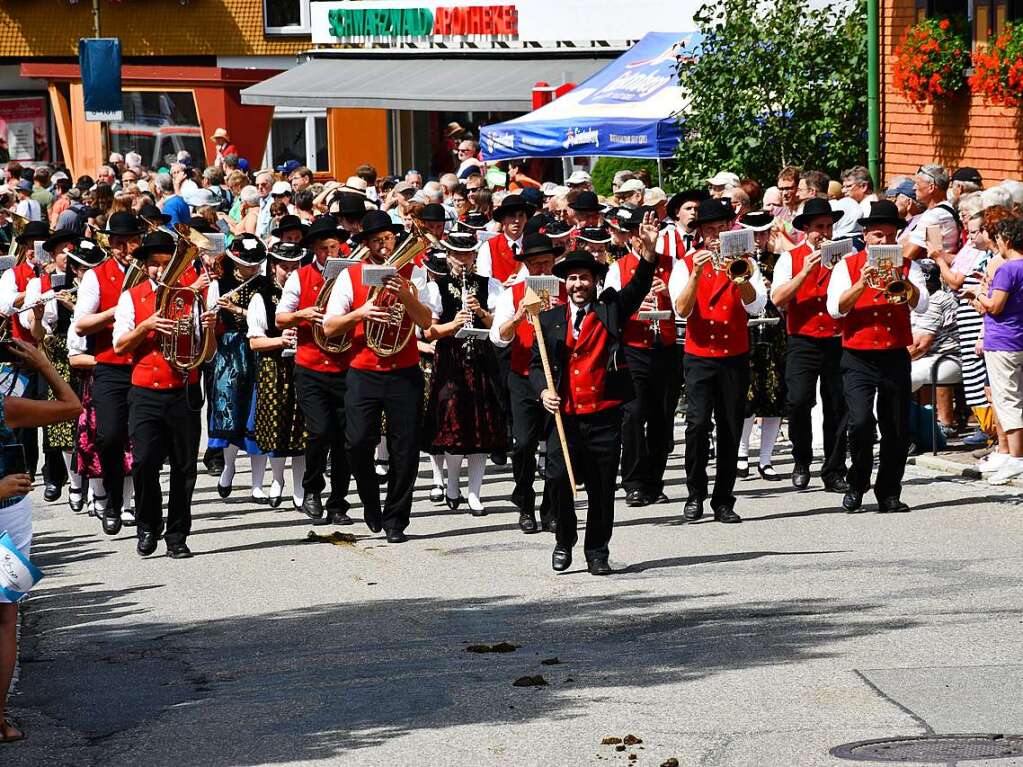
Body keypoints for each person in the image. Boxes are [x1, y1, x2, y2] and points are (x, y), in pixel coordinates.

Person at [531, 214, 660, 575]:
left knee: (602, 488)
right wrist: (543, 391)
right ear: (565, 283)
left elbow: (636, 288)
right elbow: (535, 365)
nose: (578, 284)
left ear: (594, 281)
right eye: (572, 278)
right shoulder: (548, 318)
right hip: (564, 416)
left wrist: (648, 254)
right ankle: (564, 539)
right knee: (557, 479)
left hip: (603, 414)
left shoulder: (610, 308)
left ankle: (597, 550)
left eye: (584, 278)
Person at [321, 210, 435, 543]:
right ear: (367, 244)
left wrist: (403, 294)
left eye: (387, 238)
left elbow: (426, 321)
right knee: (356, 443)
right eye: (375, 240)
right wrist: (361, 313)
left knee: (405, 449)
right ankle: (371, 501)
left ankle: (396, 519)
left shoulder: (416, 273)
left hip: (404, 372)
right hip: (363, 372)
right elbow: (329, 326)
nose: (383, 245)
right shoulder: (352, 275)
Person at [112, 229, 216, 558]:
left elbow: (207, 354)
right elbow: (119, 345)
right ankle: (147, 525)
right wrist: (146, 326)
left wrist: (210, 326)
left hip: (183, 390)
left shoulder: (192, 296)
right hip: (145, 392)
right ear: (144, 267)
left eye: (165, 262)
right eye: (154, 264)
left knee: (185, 467)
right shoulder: (132, 297)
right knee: (144, 463)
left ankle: (177, 534)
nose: (160, 269)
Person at [0, 338, 82, 745]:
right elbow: (71, 407)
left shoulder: (8, 404)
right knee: (5, 622)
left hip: (9, 510)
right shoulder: (7, 405)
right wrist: (46, 365)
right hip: (7, 511)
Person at [826, 200, 929, 513]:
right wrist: (862, 282)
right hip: (857, 356)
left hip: (894, 353)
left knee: (895, 427)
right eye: (877, 236)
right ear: (866, 237)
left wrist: (903, 278)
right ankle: (857, 484)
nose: (884, 242)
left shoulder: (909, 267)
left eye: (889, 236)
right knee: (859, 423)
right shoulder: (848, 265)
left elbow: (921, 305)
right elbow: (835, 309)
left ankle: (888, 493)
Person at [669, 198, 768, 524]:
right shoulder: (684, 264)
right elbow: (681, 311)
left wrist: (740, 277)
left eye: (720, 229)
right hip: (699, 357)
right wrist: (697, 273)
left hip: (735, 356)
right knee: (697, 426)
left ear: (729, 229)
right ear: (700, 233)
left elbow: (755, 307)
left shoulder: (745, 263)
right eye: (709, 230)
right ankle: (695, 493)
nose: (715, 235)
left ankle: (723, 499)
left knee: (730, 428)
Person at [274, 217, 354, 525]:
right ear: (314, 250)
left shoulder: (351, 276)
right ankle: (311, 490)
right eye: (324, 248)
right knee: (320, 431)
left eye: (335, 246)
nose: (331, 253)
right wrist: (303, 314)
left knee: (345, 439)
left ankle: (338, 503)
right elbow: (281, 318)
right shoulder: (300, 277)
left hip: (346, 366)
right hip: (311, 366)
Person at [72, 211, 146, 535]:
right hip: (110, 367)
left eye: (130, 241)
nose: (125, 248)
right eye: (118, 242)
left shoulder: (151, 274)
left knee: (146, 443)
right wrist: (119, 310)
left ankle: (142, 509)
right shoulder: (95, 276)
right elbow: (82, 323)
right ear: (110, 243)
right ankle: (113, 500)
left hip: (145, 365)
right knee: (111, 437)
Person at [421, 231, 506, 515]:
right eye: (457, 255)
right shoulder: (437, 287)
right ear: (448, 257)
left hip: (481, 360)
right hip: (450, 361)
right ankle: (453, 484)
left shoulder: (489, 284)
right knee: (452, 425)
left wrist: (480, 311)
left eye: (467, 255)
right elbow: (428, 330)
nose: (462, 261)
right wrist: (452, 325)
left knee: (482, 427)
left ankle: (475, 492)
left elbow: (500, 324)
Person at [770, 197, 850, 492]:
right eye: (819, 227)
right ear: (806, 229)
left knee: (837, 406)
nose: (825, 233)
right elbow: (778, 299)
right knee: (799, 401)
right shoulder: (790, 259)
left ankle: (834, 469)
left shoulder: (845, 256)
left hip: (836, 339)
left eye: (829, 226)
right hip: (802, 340)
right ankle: (801, 458)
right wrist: (804, 271)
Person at [603, 206, 680, 506]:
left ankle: (654, 481)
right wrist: (637, 303)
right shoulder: (617, 268)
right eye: (635, 233)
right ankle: (633, 482)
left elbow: (686, 306)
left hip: (667, 347)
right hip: (633, 349)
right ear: (630, 237)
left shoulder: (673, 265)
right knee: (634, 416)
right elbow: (610, 310)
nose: (642, 239)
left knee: (662, 417)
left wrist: (669, 294)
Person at [491, 233, 565, 533]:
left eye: (546, 263)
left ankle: (550, 507)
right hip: (523, 378)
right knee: (523, 444)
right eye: (535, 265)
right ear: (527, 266)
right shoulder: (514, 292)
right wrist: (520, 315)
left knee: (557, 447)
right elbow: (499, 337)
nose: (542, 271)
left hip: (558, 377)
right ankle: (524, 500)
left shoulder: (566, 288)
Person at [247, 242, 307, 508]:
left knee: (302, 428)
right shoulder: (262, 295)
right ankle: (277, 479)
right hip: (274, 367)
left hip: (303, 365)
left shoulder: (306, 293)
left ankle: (300, 487)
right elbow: (255, 342)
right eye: (285, 267)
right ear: (274, 267)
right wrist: (280, 341)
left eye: (295, 267)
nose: (291, 272)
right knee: (276, 427)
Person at [208, 235, 268, 502]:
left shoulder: (266, 285)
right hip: (231, 350)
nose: (252, 267)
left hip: (260, 347)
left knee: (259, 413)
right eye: (247, 262)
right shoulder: (219, 284)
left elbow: (270, 317)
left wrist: (239, 309)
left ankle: (258, 483)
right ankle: (229, 467)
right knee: (230, 411)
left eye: (256, 263)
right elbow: (210, 319)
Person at [965, 217, 1023, 484]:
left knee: (1007, 400)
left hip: (1003, 341)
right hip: (1018, 338)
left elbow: (996, 306)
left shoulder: (1008, 268)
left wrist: (977, 296)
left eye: (998, 239)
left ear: (1007, 240)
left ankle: (1015, 458)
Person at [737, 211, 787, 480]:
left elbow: (786, 298)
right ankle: (742, 453)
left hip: (772, 329)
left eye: (763, 233)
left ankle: (766, 459)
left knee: (774, 395)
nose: (758, 239)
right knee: (747, 395)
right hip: (745, 330)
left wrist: (773, 289)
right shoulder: (737, 261)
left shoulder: (777, 261)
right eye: (753, 234)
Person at [477, 194, 533, 285]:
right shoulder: (489, 247)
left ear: (526, 219)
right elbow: (483, 283)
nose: (517, 220)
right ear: (503, 220)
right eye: (512, 216)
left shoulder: (533, 244)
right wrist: (502, 286)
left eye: (521, 215)